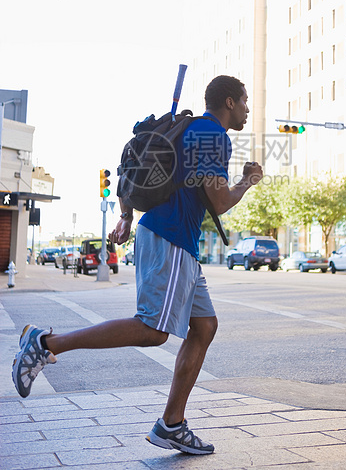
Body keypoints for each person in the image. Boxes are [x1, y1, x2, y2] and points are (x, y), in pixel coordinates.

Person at [12, 75, 263, 455]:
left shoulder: (185, 129)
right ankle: (45, 344)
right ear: (229, 102)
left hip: (174, 240)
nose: (248, 109)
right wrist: (248, 181)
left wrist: (127, 215)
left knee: (204, 326)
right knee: (152, 330)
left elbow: (138, 165)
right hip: (172, 238)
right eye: (245, 101)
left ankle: (171, 424)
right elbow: (221, 199)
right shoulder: (213, 136)